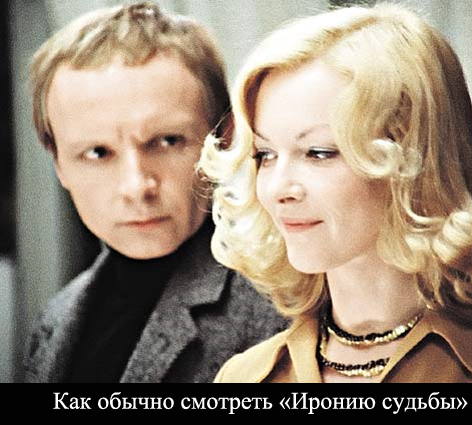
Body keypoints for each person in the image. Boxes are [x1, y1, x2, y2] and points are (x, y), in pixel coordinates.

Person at [199, 2, 472, 383]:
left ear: (412, 158)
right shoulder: (243, 378)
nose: (277, 189)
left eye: (318, 153)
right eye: (265, 154)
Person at [23, 1, 286, 383]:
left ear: (224, 138)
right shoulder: (54, 319)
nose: (136, 187)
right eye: (97, 152)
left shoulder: (282, 306)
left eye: (167, 141)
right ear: (58, 162)